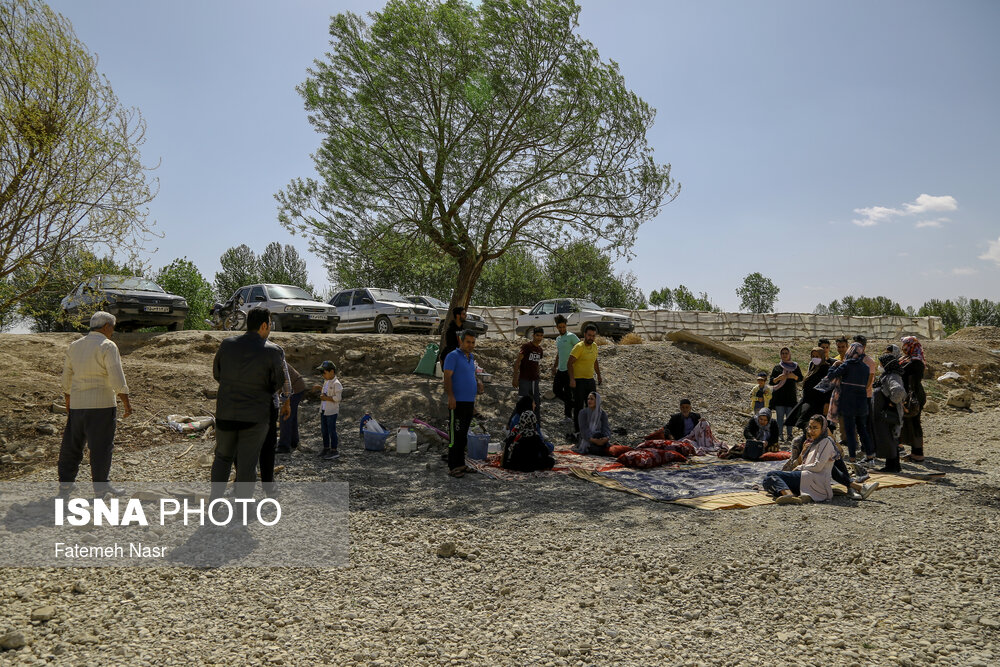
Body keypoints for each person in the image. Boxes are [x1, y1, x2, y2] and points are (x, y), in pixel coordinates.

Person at [211, 307, 286, 499]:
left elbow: (217, 374)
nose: (270, 328)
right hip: (255, 416)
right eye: (270, 324)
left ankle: (214, 501)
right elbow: (278, 383)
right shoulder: (273, 351)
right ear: (263, 325)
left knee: (222, 458)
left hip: (225, 412)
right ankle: (244, 507)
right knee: (247, 463)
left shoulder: (227, 344)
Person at [58, 311, 132, 497]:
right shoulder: (107, 346)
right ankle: (101, 487)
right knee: (101, 448)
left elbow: (67, 376)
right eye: (113, 328)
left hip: (78, 404)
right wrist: (126, 404)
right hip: (102, 405)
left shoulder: (74, 346)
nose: (113, 332)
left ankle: (65, 485)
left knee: (72, 446)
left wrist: (68, 400)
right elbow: (117, 377)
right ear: (107, 326)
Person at [785, 424, 879, 501]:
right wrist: (802, 454)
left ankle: (852, 488)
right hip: (803, 473)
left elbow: (840, 455)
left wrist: (832, 438)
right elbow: (792, 467)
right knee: (826, 463)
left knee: (834, 458)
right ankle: (855, 487)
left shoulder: (824, 441)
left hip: (819, 474)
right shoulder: (798, 442)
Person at [762, 415, 837, 505]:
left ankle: (789, 495)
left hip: (815, 479)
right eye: (810, 427)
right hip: (807, 478)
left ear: (823, 429)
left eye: (815, 428)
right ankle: (801, 494)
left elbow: (818, 466)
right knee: (766, 481)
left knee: (772, 475)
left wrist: (799, 467)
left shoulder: (825, 442)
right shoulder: (813, 442)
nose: (811, 431)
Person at [443, 330, 485, 477]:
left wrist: (478, 382)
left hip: (468, 402)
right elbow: (447, 377)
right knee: (455, 434)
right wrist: (450, 396)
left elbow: (471, 374)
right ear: (461, 341)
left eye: (473, 342)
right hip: (457, 402)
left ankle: (461, 463)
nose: (471, 345)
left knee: (463, 435)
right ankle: (453, 466)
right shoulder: (453, 356)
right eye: (468, 342)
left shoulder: (471, 357)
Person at [825, 341, 874, 463]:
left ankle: (852, 457)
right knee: (862, 429)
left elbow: (831, 376)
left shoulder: (846, 365)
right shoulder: (865, 367)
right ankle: (870, 456)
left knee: (850, 431)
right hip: (862, 403)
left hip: (848, 403)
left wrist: (834, 365)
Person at [873, 352, 907, 472]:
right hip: (885, 413)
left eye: (881, 364)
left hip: (889, 413)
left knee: (890, 438)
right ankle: (892, 465)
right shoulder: (888, 375)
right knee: (889, 438)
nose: (879, 366)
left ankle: (893, 466)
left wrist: (891, 403)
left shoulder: (892, 376)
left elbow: (898, 391)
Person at [787, 347, 832, 432]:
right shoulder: (813, 367)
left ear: (822, 356)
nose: (815, 358)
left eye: (817, 356)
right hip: (807, 399)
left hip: (818, 402)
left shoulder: (826, 368)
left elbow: (828, 387)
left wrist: (827, 402)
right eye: (813, 356)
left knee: (808, 423)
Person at [567, 324, 602, 435]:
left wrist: (599, 375)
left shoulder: (595, 346)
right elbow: (569, 363)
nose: (591, 337)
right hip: (578, 380)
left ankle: (591, 429)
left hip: (590, 380)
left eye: (593, 336)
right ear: (584, 335)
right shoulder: (579, 347)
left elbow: (595, 361)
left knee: (592, 405)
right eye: (589, 335)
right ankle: (578, 431)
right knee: (579, 406)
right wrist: (572, 379)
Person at [899, 336, 927, 462]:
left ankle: (918, 453)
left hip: (914, 395)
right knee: (910, 422)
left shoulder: (916, 361)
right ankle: (914, 452)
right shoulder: (910, 359)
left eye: (905, 345)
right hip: (912, 393)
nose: (903, 348)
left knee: (915, 422)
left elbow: (901, 371)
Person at [769, 347, 803, 442]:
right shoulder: (777, 367)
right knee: (779, 418)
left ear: (789, 355)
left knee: (790, 417)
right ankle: (780, 435)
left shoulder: (795, 367)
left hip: (790, 397)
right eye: (782, 353)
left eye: (786, 353)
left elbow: (801, 378)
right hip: (779, 397)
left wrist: (794, 376)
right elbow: (771, 382)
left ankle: (789, 435)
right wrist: (778, 378)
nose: (784, 355)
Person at [551, 315, 580, 424]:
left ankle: (568, 417)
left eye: (564, 327)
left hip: (570, 370)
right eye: (560, 327)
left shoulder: (571, 336)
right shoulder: (558, 339)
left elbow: (580, 348)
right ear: (557, 327)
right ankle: (573, 404)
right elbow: (559, 353)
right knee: (556, 390)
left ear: (566, 326)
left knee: (568, 393)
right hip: (561, 369)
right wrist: (554, 366)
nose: (562, 329)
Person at [513, 327, 544, 420]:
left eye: (541, 336)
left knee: (536, 403)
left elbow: (537, 364)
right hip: (524, 380)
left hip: (534, 380)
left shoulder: (540, 350)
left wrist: (538, 376)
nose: (539, 338)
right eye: (537, 335)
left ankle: (537, 427)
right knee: (522, 403)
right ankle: (511, 425)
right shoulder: (526, 347)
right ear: (533, 335)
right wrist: (515, 377)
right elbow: (518, 361)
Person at [276, 362, 307, 453]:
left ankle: (284, 446)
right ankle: (294, 441)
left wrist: (284, 401)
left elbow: (284, 384)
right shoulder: (274, 356)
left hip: (295, 388)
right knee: (291, 416)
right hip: (298, 386)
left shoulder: (275, 361)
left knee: (285, 415)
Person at [317, 360, 343, 460]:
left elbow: (338, 398)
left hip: (332, 411)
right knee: (324, 430)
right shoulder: (326, 382)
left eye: (324, 372)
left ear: (332, 371)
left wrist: (326, 398)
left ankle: (334, 450)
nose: (323, 375)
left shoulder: (337, 384)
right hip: (324, 409)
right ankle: (326, 448)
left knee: (331, 430)